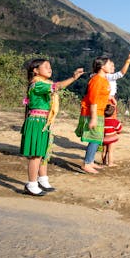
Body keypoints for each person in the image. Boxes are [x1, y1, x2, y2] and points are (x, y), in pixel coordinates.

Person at [20, 59, 84, 196]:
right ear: (35, 70)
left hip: (43, 121)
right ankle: (31, 184)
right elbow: (57, 86)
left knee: (43, 152)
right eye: (46, 67)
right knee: (36, 154)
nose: (50, 69)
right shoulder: (37, 85)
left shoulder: (41, 84)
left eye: (50, 67)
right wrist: (73, 77)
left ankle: (42, 179)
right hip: (37, 122)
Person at [75, 56, 114, 174]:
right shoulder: (97, 80)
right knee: (94, 138)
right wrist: (93, 118)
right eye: (109, 64)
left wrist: (109, 100)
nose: (112, 66)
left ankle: (91, 161)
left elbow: (102, 95)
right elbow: (93, 100)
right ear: (102, 66)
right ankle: (86, 163)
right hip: (92, 112)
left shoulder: (103, 79)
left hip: (99, 112)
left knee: (97, 138)